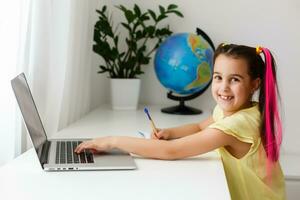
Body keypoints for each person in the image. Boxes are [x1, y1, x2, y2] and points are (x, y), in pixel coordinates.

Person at [75, 43, 286, 200]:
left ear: (254, 84)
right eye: (218, 77)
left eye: (235, 79)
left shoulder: (237, 124)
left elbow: (172, 152)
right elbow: (199, 126)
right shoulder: (240, 109)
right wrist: (170, 133)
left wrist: (112, 141)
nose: (223, 88)